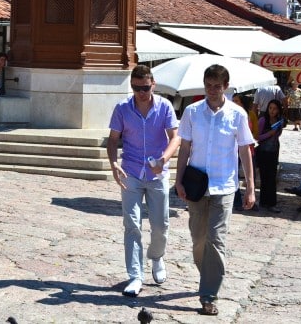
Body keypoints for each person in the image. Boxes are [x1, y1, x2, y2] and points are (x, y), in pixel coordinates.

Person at [174, 64, 255, 317]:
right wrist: (178, 181)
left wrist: (250, 187)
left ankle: (209, 295)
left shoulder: (237, 114)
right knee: (199, 239)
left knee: (216, 239)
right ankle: (208, 274)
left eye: (216, 86)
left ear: (226, 87)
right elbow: (185, 148)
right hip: (197, 187)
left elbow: (244, 150)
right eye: (208, 85)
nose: (211, 90)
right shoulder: (192, 112)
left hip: (224, 186)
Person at [107, 65, 180, 297]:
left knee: (160, 225)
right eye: (137, 88)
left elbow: (175, 137)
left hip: (158, 174)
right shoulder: (122, 109)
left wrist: (164, 158)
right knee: (132, 225)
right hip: (131, 172)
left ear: (153, 85)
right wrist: (113, 163)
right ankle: (135, 276)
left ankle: (157, 257)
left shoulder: (165, 107)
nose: (141, 93)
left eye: (145, 88)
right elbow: (112, 139)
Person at [255, 99, 285, 213]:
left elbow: (278, 136)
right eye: (270, 108)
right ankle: (263, 202)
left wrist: (277, 129)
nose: (272, 111)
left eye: (275, 109)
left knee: (272, 178)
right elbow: (257, 137)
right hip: (263, 152)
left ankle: (271, 203)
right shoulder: (263, 120)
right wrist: (269, 133)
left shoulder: (278, 120)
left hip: (274, 151)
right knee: (264, 177)